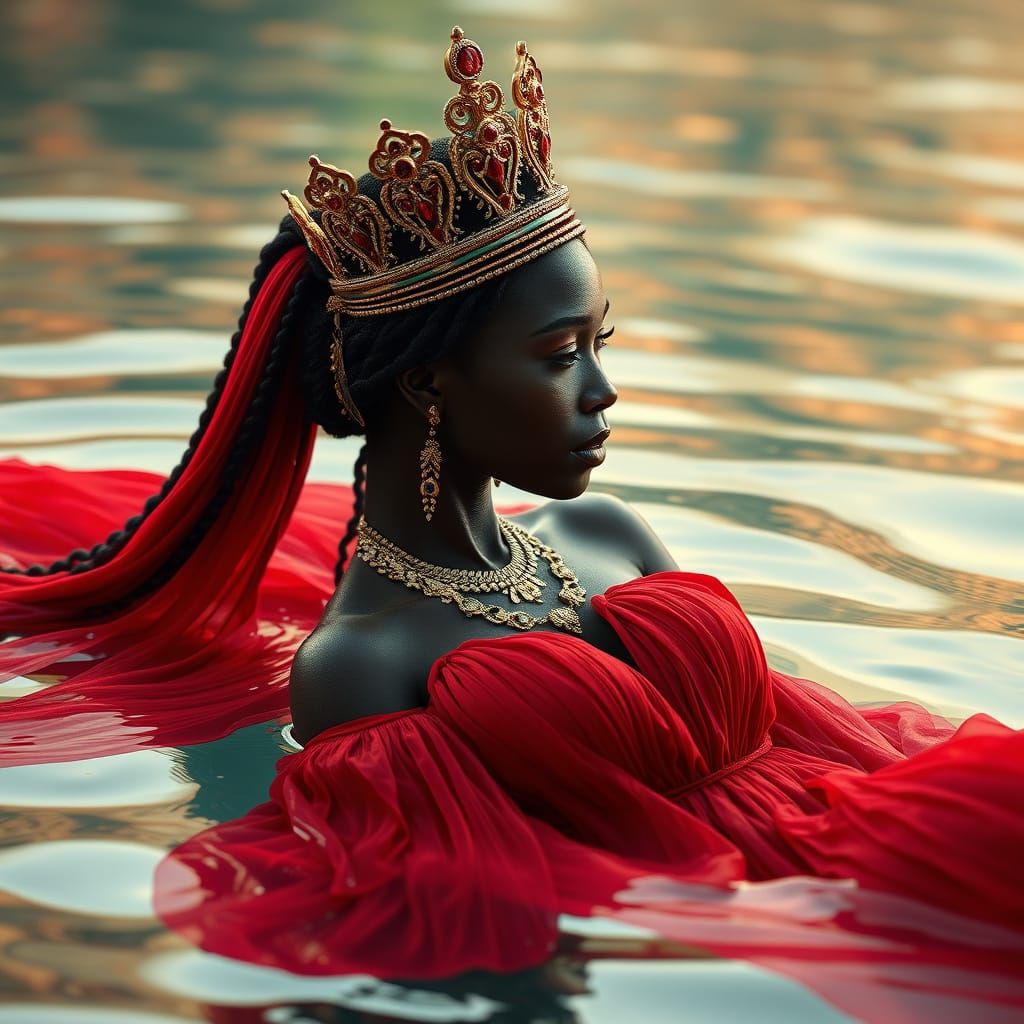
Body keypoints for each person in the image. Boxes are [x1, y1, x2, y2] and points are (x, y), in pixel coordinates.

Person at [2, 26, 1023, 1022]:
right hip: (755, 934)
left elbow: (815, 733)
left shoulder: (609, 533)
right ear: (430, 380)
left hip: (878, 849)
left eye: (599, 341)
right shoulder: (362, 665)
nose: (604, 391)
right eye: (558, 354)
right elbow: (464, 916)